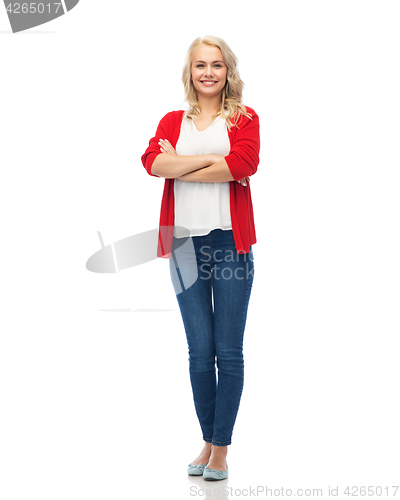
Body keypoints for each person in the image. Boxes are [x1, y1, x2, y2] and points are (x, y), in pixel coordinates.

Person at [141, 35, 260, 481]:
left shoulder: (245, 118)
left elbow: (243, 164)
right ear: (190, 73)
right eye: (200, 66)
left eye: (216, 65)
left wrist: (188, 161)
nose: (208, 72)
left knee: (227, 352)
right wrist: (215, 161)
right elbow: (153, 164)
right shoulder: (173, 120)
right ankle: (208, 440)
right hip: (184, 247)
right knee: (199, 352)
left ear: (228, 71)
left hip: (231, 243)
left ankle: (221, 450)